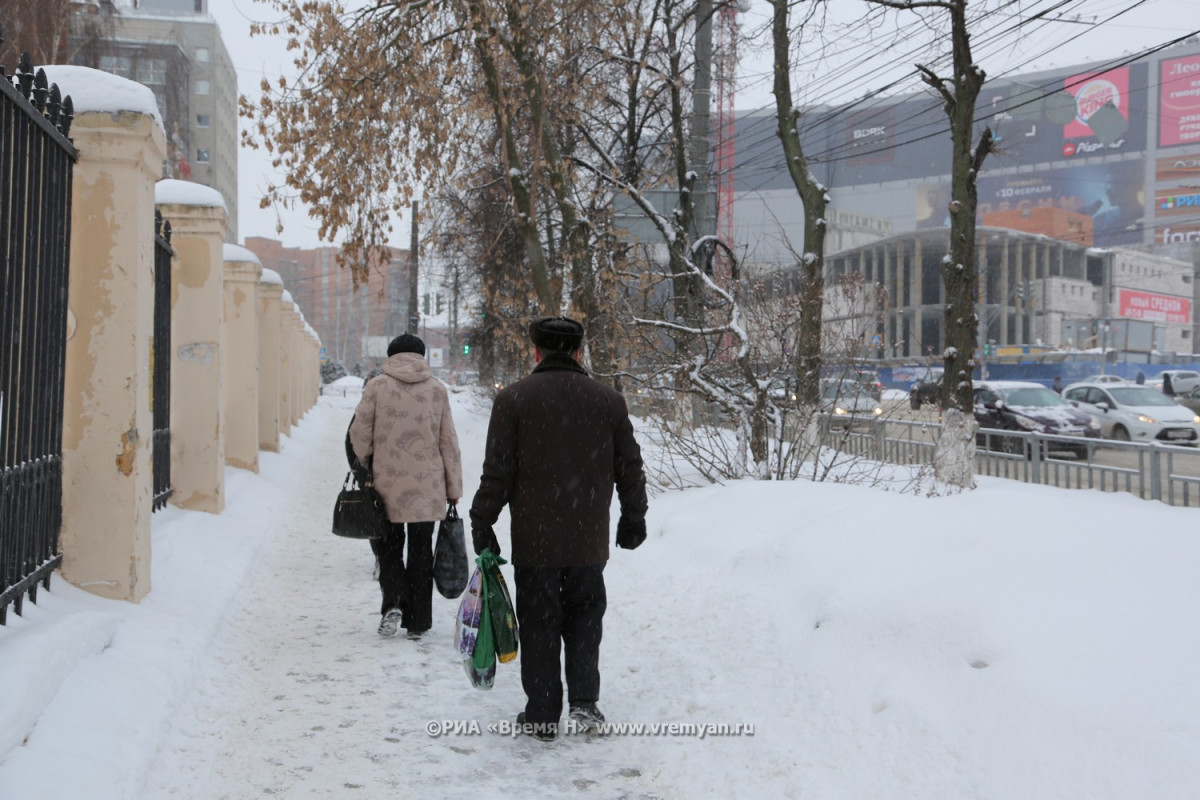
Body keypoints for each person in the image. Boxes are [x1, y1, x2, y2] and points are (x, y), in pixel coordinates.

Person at [469, 315, 648, 741]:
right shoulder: (608, 401)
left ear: (536, 351)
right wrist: (634, 515)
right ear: (578, 352)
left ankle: (544, 713)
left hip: (536, 538)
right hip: (587, 537)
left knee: (540, 621)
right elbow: (630, 466)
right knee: (586, 617)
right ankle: (585, 703)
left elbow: (498, 471)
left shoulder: (514, 400)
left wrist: (482, 520)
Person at [349, 334, 463, 639]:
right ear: (422, 356)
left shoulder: (377, 387)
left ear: (390, 355)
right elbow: (448, 442)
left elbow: (358, 433)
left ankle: (393, 602)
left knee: (388, 547)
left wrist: (368, 460)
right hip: (427, 486)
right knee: (421, 551)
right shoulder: (437, 390)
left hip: (386, 485)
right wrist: (453, 487)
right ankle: (418, 622)